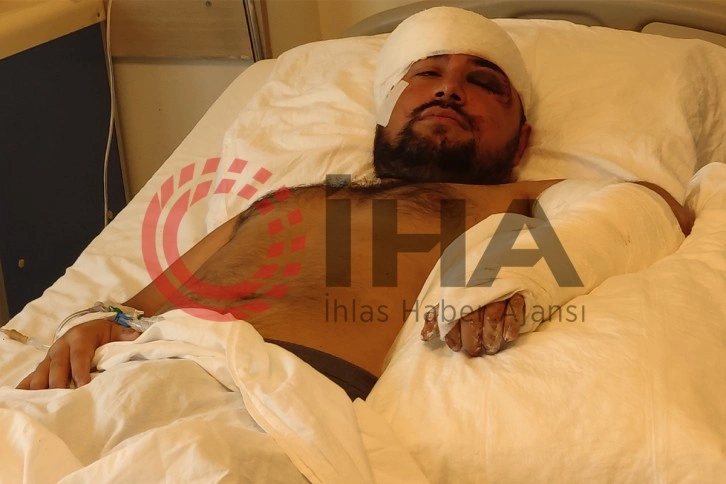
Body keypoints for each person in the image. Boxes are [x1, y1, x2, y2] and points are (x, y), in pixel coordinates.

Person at [17, 7, 692, 398]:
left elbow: (650, 209)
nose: (449, 89)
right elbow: (131, 310)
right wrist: (91, 327)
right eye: (426, 75)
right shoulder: (282, 200)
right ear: (382, 119)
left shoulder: (519, 199)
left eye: (484, 83)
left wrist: (524, 278)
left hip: (264, 400)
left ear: (522, 140)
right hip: (128, 376)